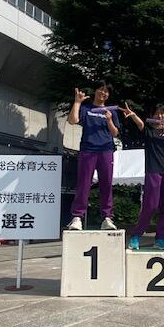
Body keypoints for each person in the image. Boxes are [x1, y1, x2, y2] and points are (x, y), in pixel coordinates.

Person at [66, 80, 119, 230]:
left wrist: (109, 120)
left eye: (106, 91)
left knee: (106, 183)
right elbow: (72, 121)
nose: (103, 93)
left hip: (106, 150)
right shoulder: (86, 108)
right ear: (95, 91)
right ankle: (77, 217)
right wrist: (77, 102)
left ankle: (107, 217)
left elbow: (115, 133)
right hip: (88, 149)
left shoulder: (111, 111)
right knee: (83, 183)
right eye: (101, 89)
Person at [123, 103, 164, 251]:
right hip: (153, 170)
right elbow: (140, 125)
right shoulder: (148, 131)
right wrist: (134, 115)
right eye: (157, 113)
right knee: (151, 205)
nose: (160, 116)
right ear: (152, 116)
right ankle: (136, 236)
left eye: (162, 113)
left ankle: (160, 239)